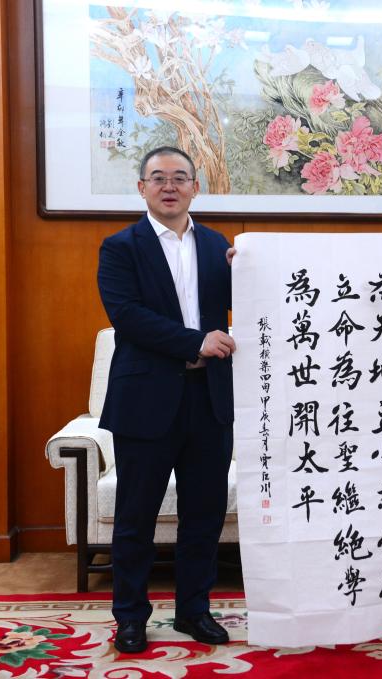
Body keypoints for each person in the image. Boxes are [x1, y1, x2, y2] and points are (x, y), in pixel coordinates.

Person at [97, 146, 237, 653]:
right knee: (136, 517)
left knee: (204, 515)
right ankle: (131, 617)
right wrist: (195, 341)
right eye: (158, 178)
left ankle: (194, 611)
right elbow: (128, 316)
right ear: (142, 188)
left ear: (195, 187)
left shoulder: (218, 246)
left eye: (180, 177)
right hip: (145, 401)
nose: (169, 186)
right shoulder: (120, 247)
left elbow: (248, 303)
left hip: (209, 400)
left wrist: (252, 270)